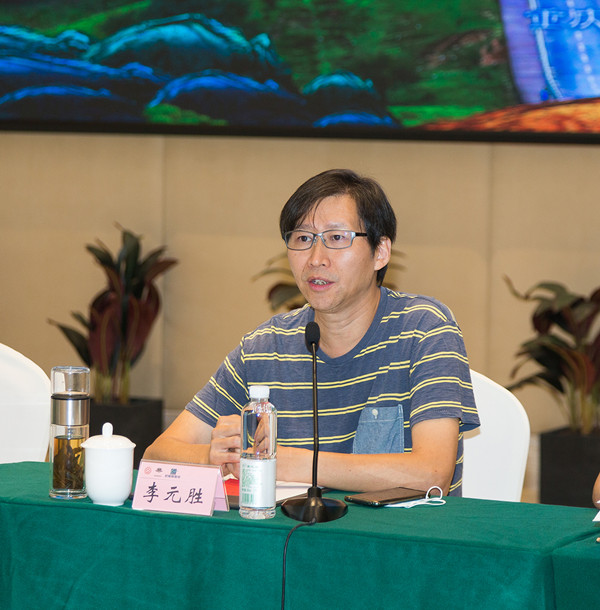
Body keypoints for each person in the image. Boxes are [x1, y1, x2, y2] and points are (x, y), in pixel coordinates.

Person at [144, 169, 480, 495]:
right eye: (303, 239)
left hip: (399, 533)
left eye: (337, 238)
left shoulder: (424, 329)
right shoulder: (264, 347)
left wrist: (290, 462)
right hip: (291, 532)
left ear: (380, 252)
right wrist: (211, 457)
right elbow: (157, 455)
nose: (316, 258)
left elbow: (432, 473)